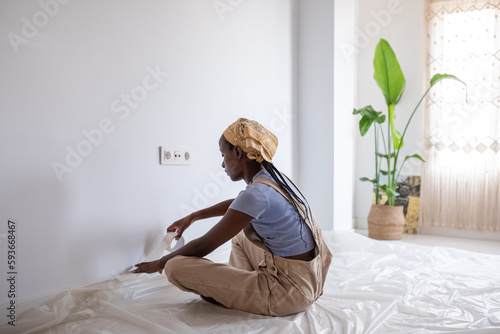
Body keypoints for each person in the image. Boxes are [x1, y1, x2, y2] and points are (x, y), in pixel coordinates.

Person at [132, 118, 332, 316]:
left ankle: (232, 293)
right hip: (309, 280)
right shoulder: (274, 180)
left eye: (223, 154)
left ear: (237, 152)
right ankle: (238, 287)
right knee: (241, 236)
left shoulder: (257, 193)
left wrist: (159, 263)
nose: (222, 164)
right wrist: (193, 216)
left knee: (175, 266)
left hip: (285, 295)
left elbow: (203, 246)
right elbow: (239, 205)